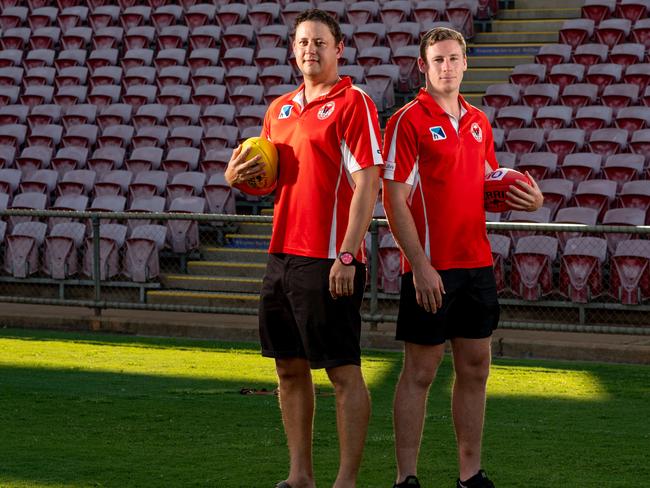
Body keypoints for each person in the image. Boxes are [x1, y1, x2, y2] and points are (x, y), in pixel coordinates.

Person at [225, 9, 383, 488]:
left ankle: (346, 481)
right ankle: (300, 477)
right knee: (289, 370)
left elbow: (368, 183)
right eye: (302, 43)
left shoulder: (354, 103)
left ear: (339, 49)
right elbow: (269, 179)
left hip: (329, 257)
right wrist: (237, 179)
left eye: (319, 42)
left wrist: (349, 254)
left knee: (342, 372)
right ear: (293, 51)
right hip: (282, 254)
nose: (310, 49)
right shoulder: (279, 110)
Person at [382, 27, 543, 488]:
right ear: (423, 66)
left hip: (476, 265)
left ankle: (470, 475)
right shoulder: (407, 121)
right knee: (420, 372)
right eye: (438, 61)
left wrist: (525, 199)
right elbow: (394, 199)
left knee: (475, 368)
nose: (447, 68)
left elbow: (488, 187)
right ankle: (405, 478)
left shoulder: (479, 121)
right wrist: (420, 265)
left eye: (454, 59)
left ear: (465, 63)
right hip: (430, 268)